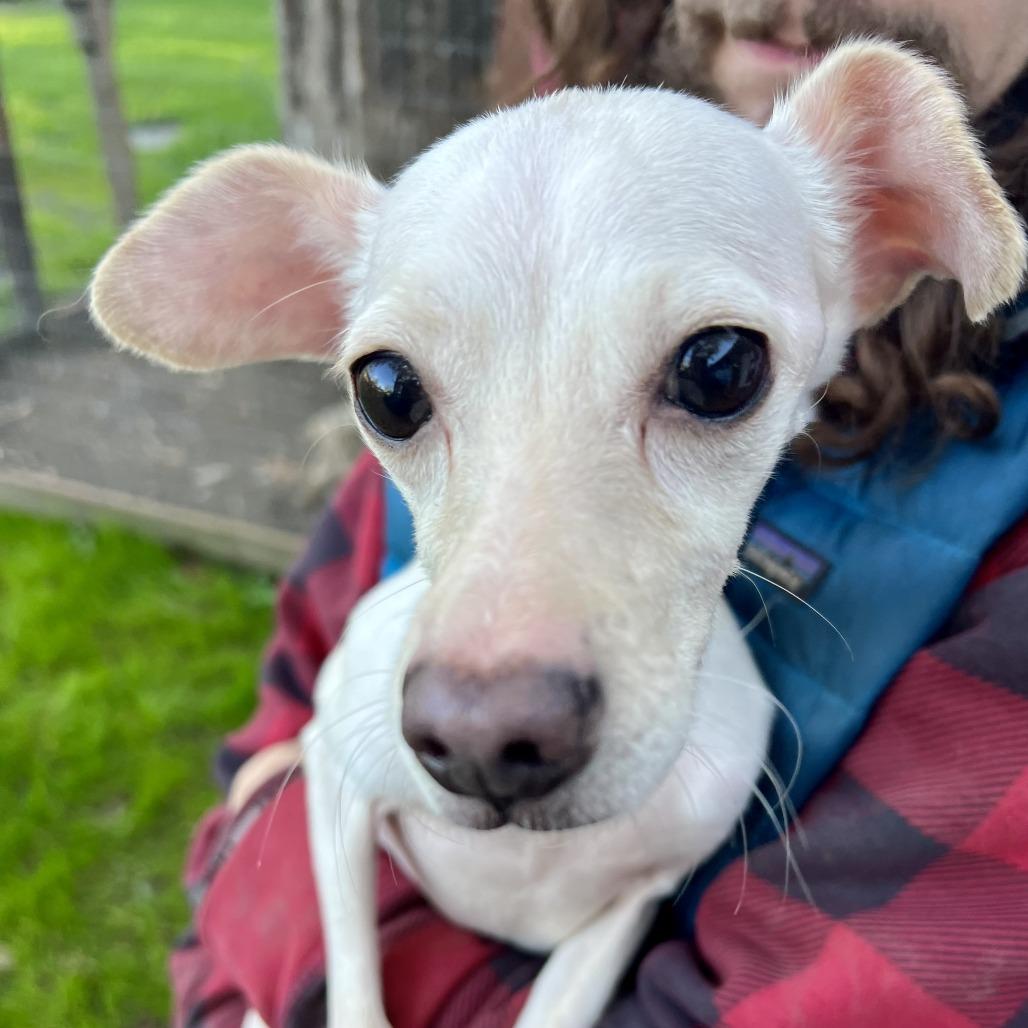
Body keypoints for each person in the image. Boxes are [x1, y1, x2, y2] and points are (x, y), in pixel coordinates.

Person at [171, 2, 1028, 1025]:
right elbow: (278, 720)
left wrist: (261, 868)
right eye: (400, 396)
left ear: (889, 222)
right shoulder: (485, 231)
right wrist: (252, 838)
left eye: (713, 374)